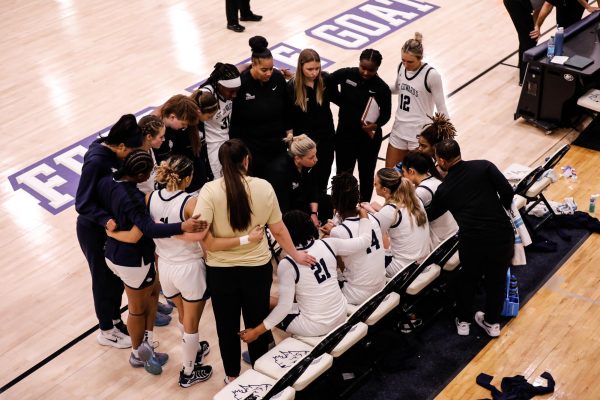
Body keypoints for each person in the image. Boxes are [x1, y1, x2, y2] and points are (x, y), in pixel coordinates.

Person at [193, 139, 315, 384]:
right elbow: (279, 230)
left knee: (225, 327)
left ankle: (231, 377)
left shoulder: (209, 191)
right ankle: (262, 374)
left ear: (221, 163)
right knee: (257, 323)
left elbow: (202, 237)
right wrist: (296, 254)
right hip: (256, 270)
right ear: (246, 161)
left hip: (221, 273)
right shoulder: (263, 187)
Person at [99, 150, 206, 375]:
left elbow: (147, 229)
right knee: (172, 317)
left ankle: (185, 350)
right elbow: (200, 236)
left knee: (171, 308)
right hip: (181, 266)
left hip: (162, 266)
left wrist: (110, 233)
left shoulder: (148, 198)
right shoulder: (190, 202)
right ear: (187, 178)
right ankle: (182, 368)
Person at [239, 207, 372, 342]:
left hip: (316, 326)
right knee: (293, 296)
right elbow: (365, 240)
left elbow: (284, 308)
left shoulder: (287, 264)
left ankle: (267, 345)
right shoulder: (329, 243)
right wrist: (364, 215)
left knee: (263, 303)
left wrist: (256, 331)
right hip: (341, 312)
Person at [427, 140, 514, 338]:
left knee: (468, 279)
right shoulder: (484, 166)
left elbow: (430, 215)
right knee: (497, 280)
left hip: (473, 240)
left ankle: (464, 321)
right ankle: (492, 323)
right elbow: (508, 191)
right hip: (501, 233)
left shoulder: (444, 189)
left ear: (441, 160)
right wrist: (498, 209)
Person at [75, 114, 142, 350]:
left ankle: (115, 320)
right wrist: (105, 219)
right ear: (121, 146)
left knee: (114, 277)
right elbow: (81, 202)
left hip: (107, 229)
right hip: (93, 229)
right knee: (102, 279)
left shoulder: (111, 150)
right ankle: (106, 330)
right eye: (131, 151)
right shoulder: (96, 161)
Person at [329, 49, 392, 202]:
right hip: (345, 136)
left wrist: (375, 126)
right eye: (363, 67)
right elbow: (328, 81)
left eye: (370, 70)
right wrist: (341, 101)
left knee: (366, 175)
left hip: (368, 140)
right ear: (359, 63)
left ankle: (364, 207)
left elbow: (386, 114)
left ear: (377, 68)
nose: (365, 72)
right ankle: (339, 206)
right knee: (343, 174)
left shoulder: (382, 88)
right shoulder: (347, 74)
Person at [230, 36, 291, 182]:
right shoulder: (242, 84)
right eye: (264, 70)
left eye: (271, 68)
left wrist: (289, 132)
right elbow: (236, 122)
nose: (269, 73)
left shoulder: (277, 78)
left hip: (277, 147)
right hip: (253, 151)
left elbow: (287, 109)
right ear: (253, 64)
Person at [386, 33, 449, 169]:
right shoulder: (401, 67)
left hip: (420, 135)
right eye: (403, 60)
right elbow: (398, 88)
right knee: (390, 176)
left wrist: (447, 138)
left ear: (420, 58)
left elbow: (442, 107)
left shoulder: (431, 75)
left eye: (410, 62)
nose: (406, 64)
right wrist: (378, 88)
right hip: (399, 129)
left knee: (416, 179)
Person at [327, 173, 386, 305]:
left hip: (357, 294)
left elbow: (334, 265)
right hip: (380, 285)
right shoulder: (373, 218)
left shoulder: (338, 232)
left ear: (334, 201)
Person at [361, 168, 430, 278]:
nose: (374, 186)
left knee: (362, 258)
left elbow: (369, 239)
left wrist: (364, 215)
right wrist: (375, 212)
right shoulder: (414, 198)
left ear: (385, 190)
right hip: (423, 261)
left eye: (375, 184)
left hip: (403, 268)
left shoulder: (389, 211)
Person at [287, 49, 336, 195]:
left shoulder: (325, 79)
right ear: (301, 67)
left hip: (326, 137)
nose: (314, 73)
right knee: (307, 181)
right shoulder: (292, 87)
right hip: (305, 141)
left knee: (323, 177)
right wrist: (291, 143)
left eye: (317, 68)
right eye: (310, 69)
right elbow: (287, 118)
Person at [152, 94, 214, 193]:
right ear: (172, 117)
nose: (184, 127)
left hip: (191, 178)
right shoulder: (155, 128)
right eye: (183, 124)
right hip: (174, 184)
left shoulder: (176, 120)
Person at [402, 151, 458, 248]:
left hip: (441, 243)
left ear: (411, 171)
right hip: (454, 233)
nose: (403, 176)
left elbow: (404, 219)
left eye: (403, 172)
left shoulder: (421, 192)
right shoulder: (436, 180)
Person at [267, 134, 324, 227]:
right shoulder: (280, 172)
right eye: (311, 157)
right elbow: (283, 209)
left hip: (302, 205)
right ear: (297, 158)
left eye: (315, 155)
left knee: (326, 201)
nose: (316, 159)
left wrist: (314, 214)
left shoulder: (308, 164)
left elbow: (313, 190)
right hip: (286, 214)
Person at [198, 62, 241, 179]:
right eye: (231, 91)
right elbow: (194, 98)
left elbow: (242, 67)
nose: (234, 95)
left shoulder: (227, 87)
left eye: (236, 90)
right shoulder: (208, 93)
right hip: (213, 147)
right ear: (219, 85)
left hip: (228, 141)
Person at [504, 0, 545, 83]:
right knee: (529, 39)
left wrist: (536, 26)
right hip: (516, 3)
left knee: (526, 37)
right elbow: (546, 7)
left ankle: (521, 64)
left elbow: (539, 9)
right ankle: (525, 78)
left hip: (521, 5)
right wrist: (537, 26)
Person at [530, 0, 599, 40]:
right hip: (566, 13)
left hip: (575, 13)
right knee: (565, 32)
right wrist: (537, 25)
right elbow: (547, 5)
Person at [137, 115, 166, 194]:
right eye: (161, 137)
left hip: (152, 196)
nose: (164, 139)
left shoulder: (149, 148)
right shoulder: (136, 159)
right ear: (149, 136)